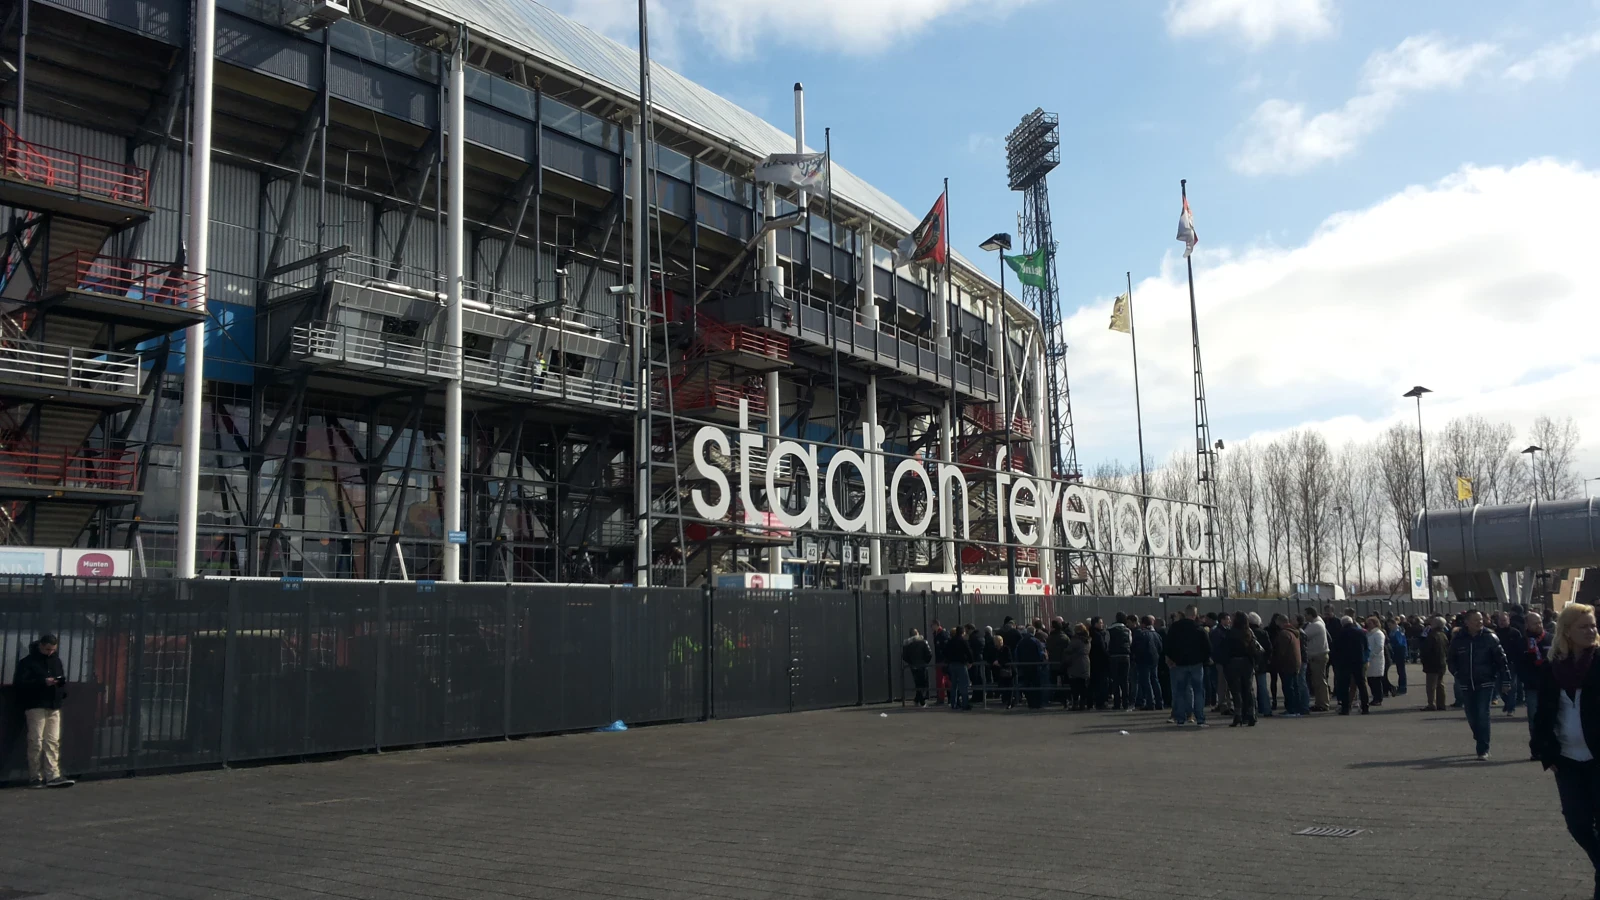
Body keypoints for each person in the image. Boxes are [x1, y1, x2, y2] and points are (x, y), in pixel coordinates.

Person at [1530, 603, 1600, 900]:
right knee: (1577, 823)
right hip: (1567, 760)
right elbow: (1542, 714)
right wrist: (1546, 752)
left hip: (1598, 758)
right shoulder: (1552, 668)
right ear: (1567, 631)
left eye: (1593, 625)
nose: (1592, 630)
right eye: (1584, 626)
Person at [15, 633, 73, 788]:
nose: (50, 652)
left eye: (52, 649)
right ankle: (36, 776)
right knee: (37, 741)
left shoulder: (54, 661)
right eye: (48, 649)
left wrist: (59, 687)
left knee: (52, 741)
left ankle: (52, 775)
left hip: (53, 704)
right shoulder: (27, 663)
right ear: (40, 645)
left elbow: (61, 680)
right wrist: (43, 683)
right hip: (36, 704)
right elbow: (20, 684)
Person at [1450, 609, 1508, 760]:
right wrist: (1457, 674)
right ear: (1467, 622)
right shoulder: (1459, 639)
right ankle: (1479, 735)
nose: (1480, 622)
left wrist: (1505, 679)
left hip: (1486, 681)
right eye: (1476, 620)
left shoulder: (1490, 638)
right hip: (1466, 682)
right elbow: (1451, 659)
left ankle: (1483, 748)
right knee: (1471, 715)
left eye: (1481, 619)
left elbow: (1501, 660)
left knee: (1483, 714)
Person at [1165, 605, 1211, 727]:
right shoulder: (1199, 629)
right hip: (1196, 664)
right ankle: (1200, 718)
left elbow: (1168, 645)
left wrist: (1173, 658)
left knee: (1180, 691)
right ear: (1195, 615)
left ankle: (1180, 719)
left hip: (1179, 664)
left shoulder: (1175, 628)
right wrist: (1203, 660)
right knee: (1198, 691)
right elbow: (1207, 648)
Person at [1519, 612, 1554, 750]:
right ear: (1527, 625)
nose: (1538, 625)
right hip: (1532, 686)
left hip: (1551, 685)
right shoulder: (1522, 642)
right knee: (1534, 718)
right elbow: (1519, 664)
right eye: (1535, 623)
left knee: (1553, 717)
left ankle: (1551, 747)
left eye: (1540, 622)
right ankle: (1537, 748)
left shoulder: (1551, 639)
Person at [1221, 612, 1262, 727]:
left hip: (1233, 663)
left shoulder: (1230, 633)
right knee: (1248, 689)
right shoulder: (1249, 632)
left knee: (1236, 690)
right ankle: (1251, 715)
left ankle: (1238, 715)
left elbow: (1225, 649)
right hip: (1247, 663)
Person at [1331, 616, 1371, 715]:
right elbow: (1366, 647)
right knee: (1361, 685)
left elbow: (1335, 649)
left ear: (1342, 624)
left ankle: (1345, 708)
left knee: (1344, 685)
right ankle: (1365, 707)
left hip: (1344, 662)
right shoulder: (1361, 632)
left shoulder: (1340, 633)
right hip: (1358, 661)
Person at [1272, 616, 1307, 717]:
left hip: (1287, 664)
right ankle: (1297, 708)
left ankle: (1291, 709)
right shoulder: (1294, 632)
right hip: (1295, 663)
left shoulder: (1284, 634)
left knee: (1288, 687)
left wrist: (1276, 662)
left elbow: (1281, 651)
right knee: (1295, 687)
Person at [1131, 615, 1165, 711]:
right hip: (1154, 659)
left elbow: (1136, 647)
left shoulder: (1140, 633)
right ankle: (1159, 702)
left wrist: (1136, 657)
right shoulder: (1156, 634)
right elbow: (1160, 647)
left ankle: (1150, 703)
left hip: (1143, 660)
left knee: (1146, 681)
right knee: (1155, 680)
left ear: (1143, 624)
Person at [1301, 606, 1331, 712]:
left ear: (1310, 614)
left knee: (1320, 681)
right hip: (1319, 655)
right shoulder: (1319, 622)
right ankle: (1320, 703)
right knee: (1318, 681)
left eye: (1306, 615)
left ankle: (1323, 703)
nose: (1305, 617)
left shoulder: (1316, 625)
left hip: (1318, 656)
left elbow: (1303, 635)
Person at [1498, 611, 1526, 716]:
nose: (1502, 622)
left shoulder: (1515, 633)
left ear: (1508, 621)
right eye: (1500, 620)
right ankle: (1507, 702)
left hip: (1511, 662)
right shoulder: (1494, 633)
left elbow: (1520, 647)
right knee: (1499, 686)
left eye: (1504, 620)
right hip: (1498, 663)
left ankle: (1511, 707)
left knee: (1511, 686)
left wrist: (1518, 660)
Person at [1421, 615, 1451, 710]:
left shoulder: (1432, 635)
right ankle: (1441, 703)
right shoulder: (1443, 635)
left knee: (1431, 685)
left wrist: (1424, 659)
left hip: (1432, 662)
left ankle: (1431, 704)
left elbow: (1426, 649)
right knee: (1440, 684)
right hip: (1441, 662)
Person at [1016, 625, 1048, 709]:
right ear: (1034, 632)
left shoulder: (1021, 642)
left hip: (1024, 666)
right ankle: (1037, 703)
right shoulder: (1036, 641)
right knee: (1036, 684)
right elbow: (1041, 654)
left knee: (1027, 684)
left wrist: (1019, 664)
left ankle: (1030, 702)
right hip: (1035, 666)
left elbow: (1017, 654)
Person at [943, 623, 974, 710]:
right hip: (961, 664)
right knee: (964, 685)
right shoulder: (963, 641)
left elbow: (945, 652)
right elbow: (969, 652)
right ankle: (965, 704)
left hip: (952, 665)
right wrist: (970, 661)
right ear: (962, 632)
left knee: (953, 685)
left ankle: (954, 703)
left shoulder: (951, 641)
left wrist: (949, 659)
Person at [1249, 612, 1273, 719]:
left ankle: (1252, 709)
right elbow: (1269, 648)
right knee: (1263, 686)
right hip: (1262, 662)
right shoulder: (1263, 632)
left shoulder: (1248, 633)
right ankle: (1266, 708)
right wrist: (1267, 659)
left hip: (1250, 662)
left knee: (1249, 687)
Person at [1107, 613, 1133, 711]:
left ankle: (1117, 703)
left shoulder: (1110, 630)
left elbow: (1107, 642)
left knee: (1115, 680)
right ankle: (1126, 703)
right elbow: (1130, 642)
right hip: (1125, 656)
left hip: (1114, 656)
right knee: (1125, 680)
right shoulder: (1128, 630)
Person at [902, 628, 932, 707]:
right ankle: (922, 702)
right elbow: (929, 654)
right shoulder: (923, 642)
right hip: (922, 665)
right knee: (924, 684)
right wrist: (925, 661)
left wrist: (911, 662)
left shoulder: (907, 644)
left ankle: (917, 700)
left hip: (914, 666)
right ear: (917, 633)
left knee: (918, 683)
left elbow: (904, 656)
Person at [1046, 620, 1072, 708]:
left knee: (1053, 681)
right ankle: (1066, 699)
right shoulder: (1064, 637)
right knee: (1065, 682)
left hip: (1053, 662)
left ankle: (1054, 697)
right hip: (1063, 662)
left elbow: (1048, 648)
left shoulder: (1050, 638)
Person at [1066, 624, 1092, 710]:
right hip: (1086, 662)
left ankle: (1075, 704)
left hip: (1075, 663)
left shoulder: (1075, 641)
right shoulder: (1087, 640)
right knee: (1083, 685)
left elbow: (1068, 650)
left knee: (1075, 686)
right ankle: (1082, 704)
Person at [1365, 616, 1389, 706]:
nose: (1368, 625)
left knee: (1376, 680)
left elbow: (1379, 646)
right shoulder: (1369, 633)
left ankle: (1378, 698)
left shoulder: (1378, 633)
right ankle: (1375, 697)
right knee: (1371, 680)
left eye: (1370, 623)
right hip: (1370, 659)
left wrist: (1372, 655)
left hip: (1376, 660)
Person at [1088, 616, 1111, 709]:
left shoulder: (1090, 633)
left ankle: (1090, 702)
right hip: (1100, 662)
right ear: (1095, 624)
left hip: (1092, 661)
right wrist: (1108, 657)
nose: (1102, 624)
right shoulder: (1098, 635)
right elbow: (1102, 649)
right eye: (1100, 622)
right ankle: (1101, 702)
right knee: (1102, 683)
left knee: (1093, 683)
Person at [990, 634, 1016, 709]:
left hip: (1008, 670)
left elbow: (1009, 658)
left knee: (1009, 687)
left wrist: (999, 662)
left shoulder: (1006, 648)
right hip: (1001, 671)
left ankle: (1010, 702)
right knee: (1004, 686)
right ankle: (1006, 701)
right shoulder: (995, 649)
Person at [1387, 618, 1409, 696]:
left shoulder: (1398, 631)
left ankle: (1403, 687)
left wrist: (1391, 645)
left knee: (1401, 671)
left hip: (1400, 652)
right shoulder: (1394, 631)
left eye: (1390, 625)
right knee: (1399, 670)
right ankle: (1401, 686)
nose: (1389, 627)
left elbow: (1399, 643)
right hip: (1397, 652)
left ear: (1394, 624)